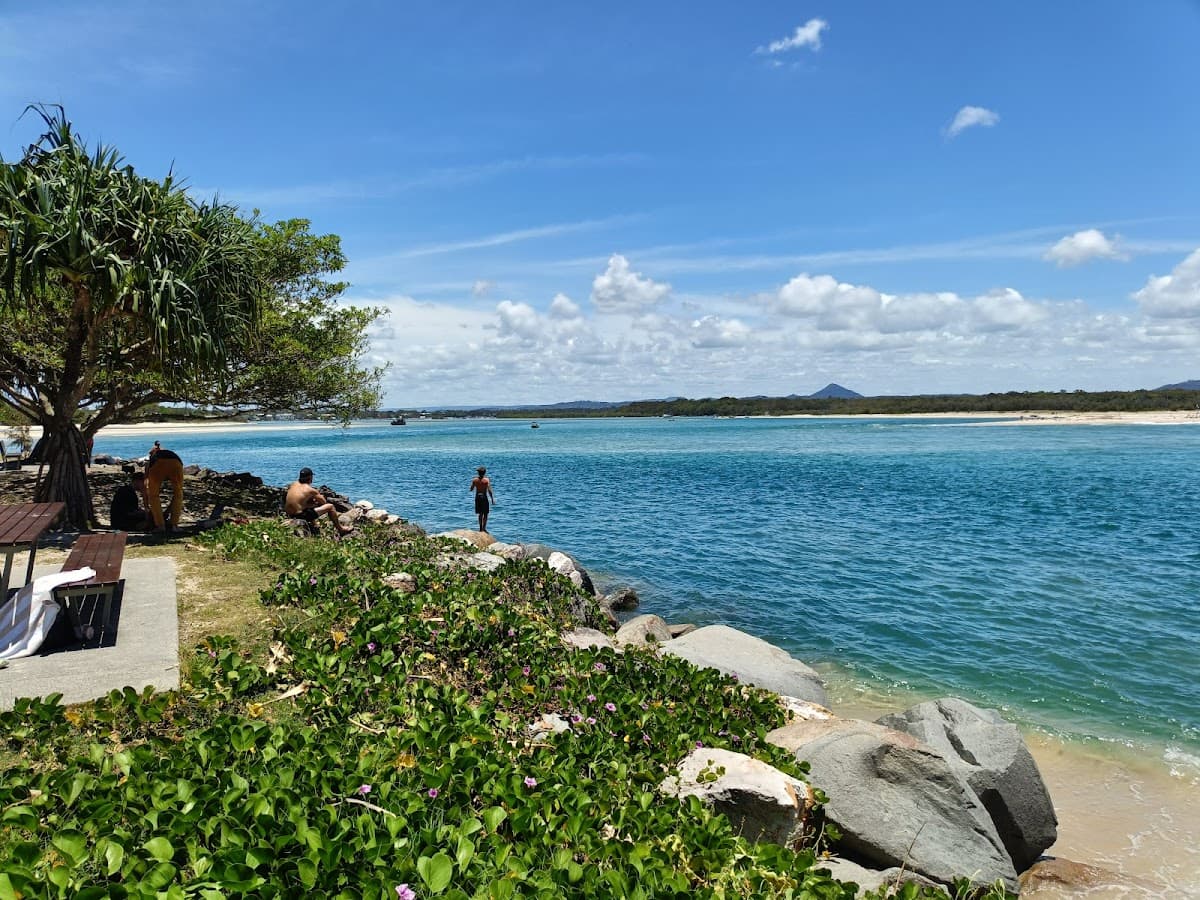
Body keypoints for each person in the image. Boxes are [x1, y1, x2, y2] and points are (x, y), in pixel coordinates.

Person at [285, 467, 353, 536]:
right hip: (300, 516)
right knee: (330, 507)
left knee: (307, 503)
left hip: (289, 514)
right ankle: (341, 529)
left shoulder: (293, 484)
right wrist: (316, 500)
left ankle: (314, 524)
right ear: (310, 477)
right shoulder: (310, 490)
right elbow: (323, 502)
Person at [145, 443, 184, 532]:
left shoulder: (153, 458)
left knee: (153, 495)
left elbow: (146, 481)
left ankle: (160, 525)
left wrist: (146, 505)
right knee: (178, 493)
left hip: (158, 464)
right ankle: (174, 525)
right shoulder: (170, 453)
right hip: (176, 463)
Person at [470, 466, 496, 532]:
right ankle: (484, 528)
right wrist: (492, 499)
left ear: (478, 473)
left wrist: (475, 485)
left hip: (478, 497)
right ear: (484, 473)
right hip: (484, 497)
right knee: (486, 513)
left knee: (480, 514)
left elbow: (471, 489)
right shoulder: (487, 480)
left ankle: (480, 528)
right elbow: (489, 490)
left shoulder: (475, 480)